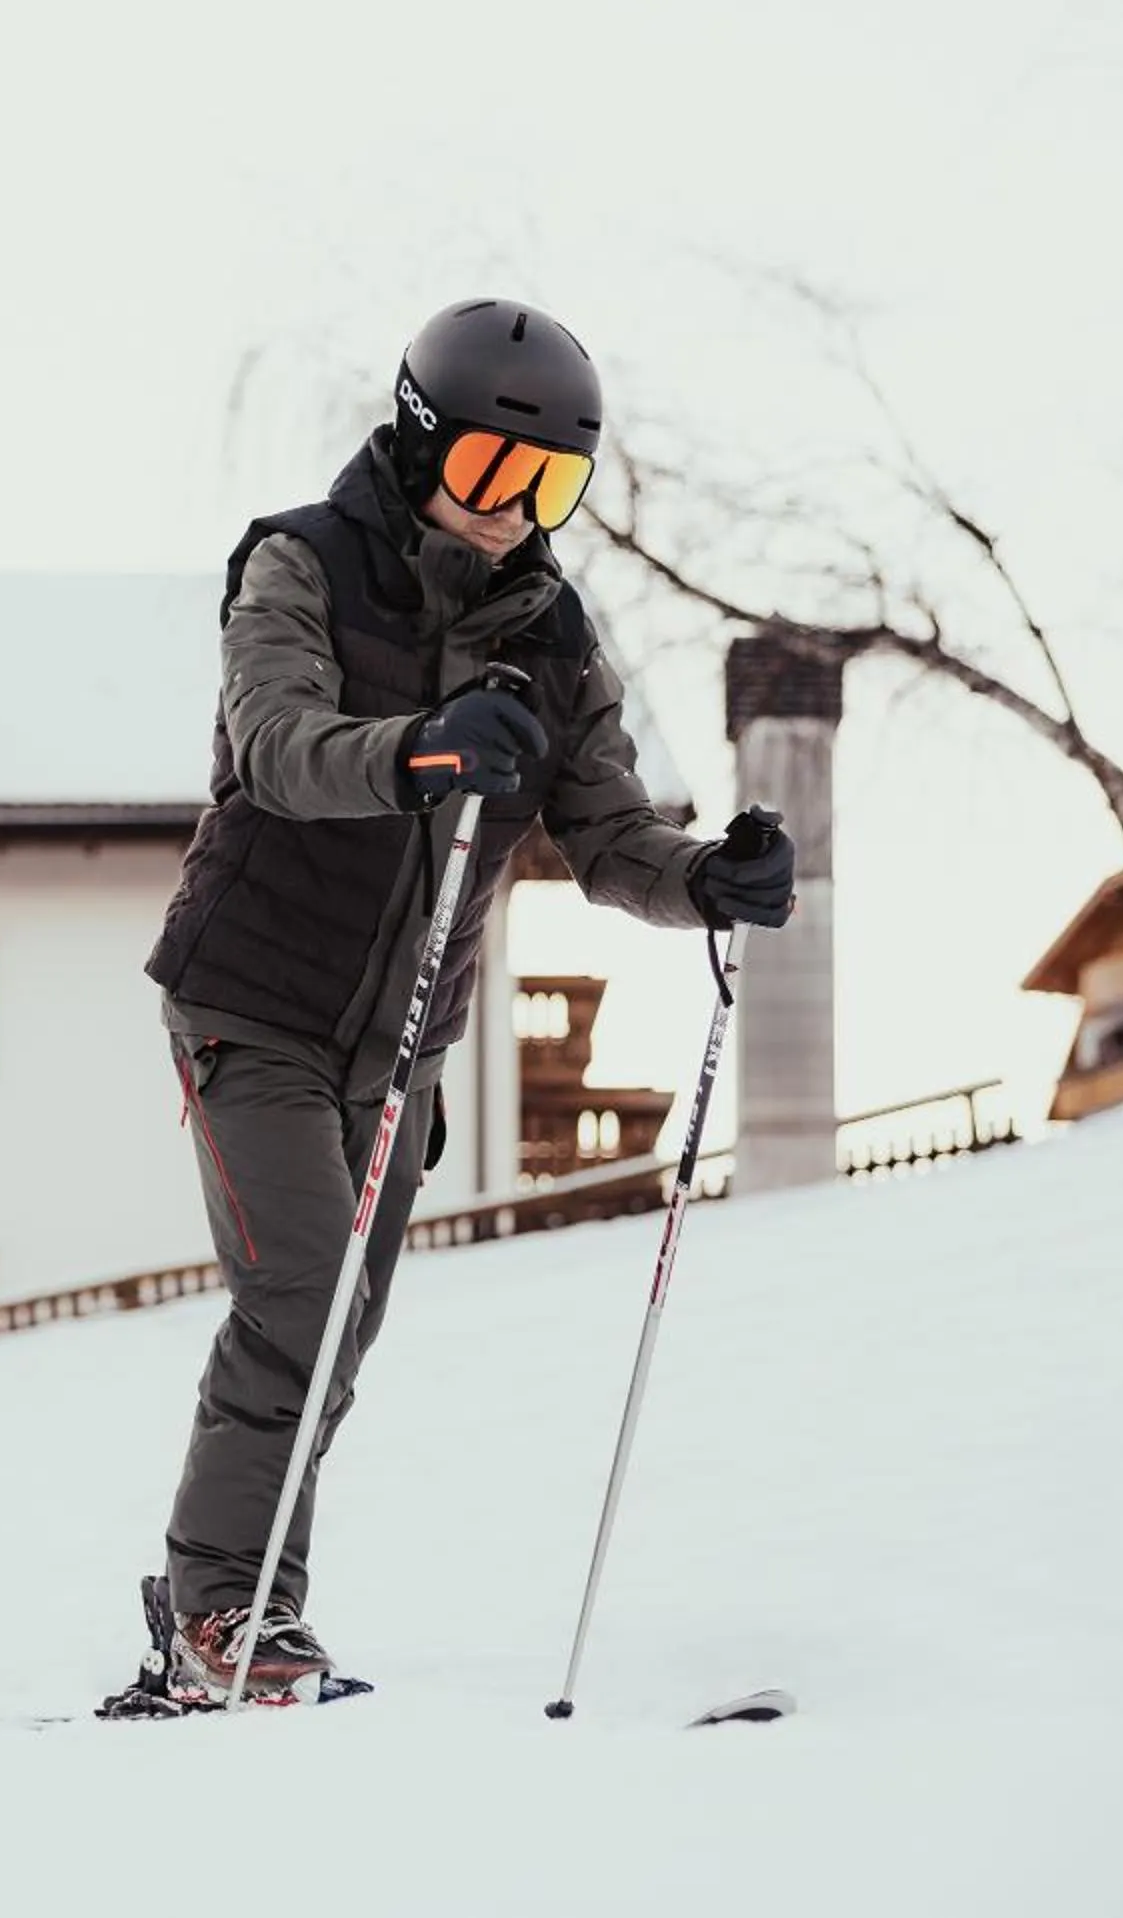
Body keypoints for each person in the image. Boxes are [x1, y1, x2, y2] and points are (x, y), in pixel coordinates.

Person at [140, 297, 797, 1700]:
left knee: (339, 1331)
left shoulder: (553, 639)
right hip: (248, 999)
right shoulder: (302, 565)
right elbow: (275, 746)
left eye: (549, 483)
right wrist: (425, 750)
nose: (515, 511)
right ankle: (216, 1611)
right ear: (422, 437)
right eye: (495, 470)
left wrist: (707, 879)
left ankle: (256, 1598)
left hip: (398, 1046)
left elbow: (613, 838)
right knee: (301, 1295)